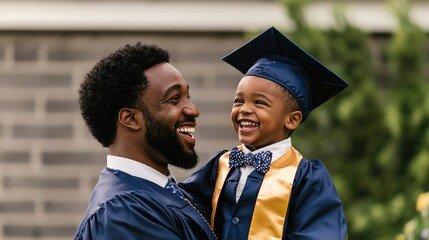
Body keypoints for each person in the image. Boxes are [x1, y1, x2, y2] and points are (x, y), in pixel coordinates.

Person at [180, 27, 348, 239]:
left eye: (260, 103)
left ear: (292, 119)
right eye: (238, 101)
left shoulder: (307, 178)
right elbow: (182, 207)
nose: (245, 109)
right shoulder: (221, 165)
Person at [74, 43, 217, 240]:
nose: (193, 110)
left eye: (188, 96)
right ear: (131, 119)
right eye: (174, 99)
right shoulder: (124, 213)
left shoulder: (162, 192)